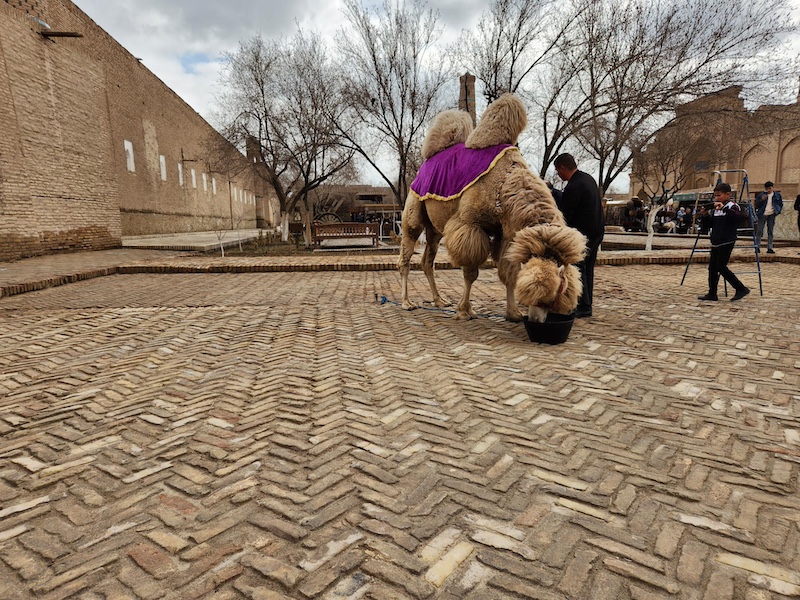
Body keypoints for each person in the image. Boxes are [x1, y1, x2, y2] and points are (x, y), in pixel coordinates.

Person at [554, 153, 605, 318]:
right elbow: (569, 200)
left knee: (579, 268)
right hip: (596, 231)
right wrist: (553, 191)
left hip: (584, 234)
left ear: (562, 167)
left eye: (557, 170)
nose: (557, 174)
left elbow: (566, 211)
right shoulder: (586, 179)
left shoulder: (575, 185)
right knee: (587, 268)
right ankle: (586, 305)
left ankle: (583, 306)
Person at [698, 182, 750, 302]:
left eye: (719, 195)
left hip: (727, 240)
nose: (717, 198)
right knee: (712, 268)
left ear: (727, 194)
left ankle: (741, 288)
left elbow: (737, 219)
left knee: (721, 267)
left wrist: (724, 209)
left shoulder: (733, 206)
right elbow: (710, 224)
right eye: (715, 196)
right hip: (716, 241)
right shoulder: (716, 208)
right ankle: (712, 293)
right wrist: (705, 215)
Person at [755, 181, 783, 254]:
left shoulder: (777, 195)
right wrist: (762, 200)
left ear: (772, 188)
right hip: (762, 214)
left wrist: (778, 211)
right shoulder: (761, 195)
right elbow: (757, 205)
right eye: (767, 188)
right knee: (759, 231)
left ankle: (770, 248)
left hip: (772, 214)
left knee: (770, 231)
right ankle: (757, 247)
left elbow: (780, 204)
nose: (768, 190)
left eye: (770, 188)